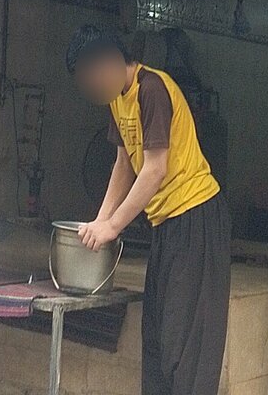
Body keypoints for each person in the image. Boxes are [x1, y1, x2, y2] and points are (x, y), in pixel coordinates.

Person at [65, 25, 230, 395]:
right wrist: (102, 220)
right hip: (167, 223)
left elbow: (154, 168)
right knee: (157, 336)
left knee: (185, 342)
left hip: (196, 215)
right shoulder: (117, 98)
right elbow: (123, 163)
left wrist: (114, 227)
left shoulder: (151, 87)